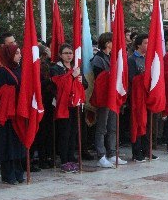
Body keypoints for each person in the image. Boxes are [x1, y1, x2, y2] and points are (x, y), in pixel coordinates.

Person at [50, 43, 87, 173]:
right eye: (66, 53)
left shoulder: (75, 67)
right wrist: (71, 76)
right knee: (64, 133)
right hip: (62, 104)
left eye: (70, 53)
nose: (69, 55)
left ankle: (71, 157)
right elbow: (57, 84)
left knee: (73, 132)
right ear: (60, 55)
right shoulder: (56, 68)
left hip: (74, 104)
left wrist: (81, 80)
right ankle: (64, 160)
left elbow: (85, 85)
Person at [92, 33, 126, 167]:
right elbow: (99, 78)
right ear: (107, 43)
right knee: (102, 127)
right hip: (104, 97)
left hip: (113, 95)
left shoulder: (113, 57)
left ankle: (112, 153)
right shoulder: (98, 59)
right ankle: (101, 154)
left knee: (112, 126)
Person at [0, 44, 25, 185]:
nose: (20, 55)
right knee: (8, 142)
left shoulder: (20, 69)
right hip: (8, 112)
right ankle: (8, 173)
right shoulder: (2, 71)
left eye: (20, 53)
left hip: (19, 110)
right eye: (17, 53)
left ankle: (19, 171)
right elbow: (3, 90)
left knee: (18, 141)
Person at [129, 34, 160, 160]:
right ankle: (137, 152)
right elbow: (131, 78)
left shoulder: (149, 58)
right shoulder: (132, 59)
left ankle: (147, 150)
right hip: (137, 97)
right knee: (137, 123)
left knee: (148, 124)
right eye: (146, 43)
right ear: (138, 45)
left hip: (148, 96)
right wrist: (144, 76)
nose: (148, 45)